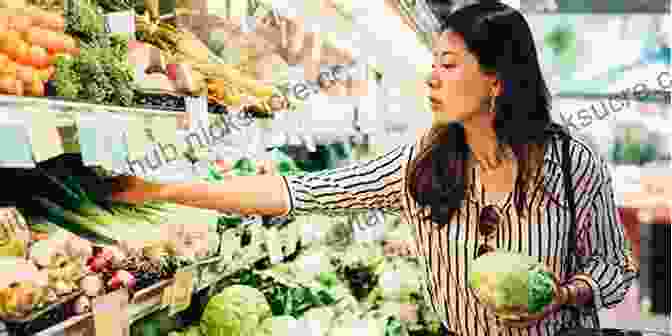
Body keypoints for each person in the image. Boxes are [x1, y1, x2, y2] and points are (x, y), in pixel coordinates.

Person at [110, 2, 636, 335]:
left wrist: (565, 294)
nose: (431, 78)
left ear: (497, 81)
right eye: (432, 63)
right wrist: (159, 189)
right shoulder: (424, 164)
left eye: (448, 66)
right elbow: (301, 193)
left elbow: (615, 269)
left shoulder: (572, 163)